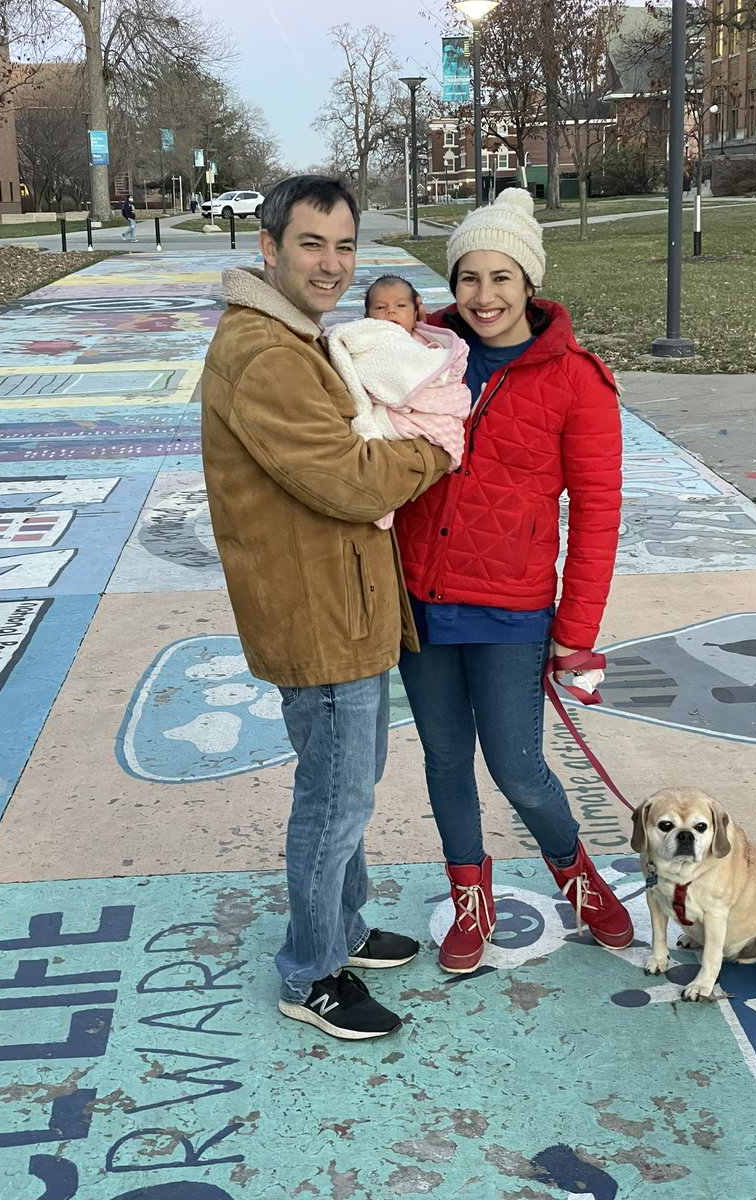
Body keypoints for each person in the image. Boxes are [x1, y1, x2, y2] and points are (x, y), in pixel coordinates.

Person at [200, 176, 450, 1039]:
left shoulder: (289, 335)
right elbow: (346, 479)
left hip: (335, 601)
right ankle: (310, 973)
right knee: (335, 801)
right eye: (312, 244)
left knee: (349, 786)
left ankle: (341, 928)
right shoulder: (267, 353)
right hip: (318, 614)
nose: (331, 264)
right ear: (267, 247)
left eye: (345, 246)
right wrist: (435, 450)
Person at [394, 188, 634, 974]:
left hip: (512, 609)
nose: (484, 296)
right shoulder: (424, 351)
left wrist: (577, 631)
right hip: (422, 600)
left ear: (529, 281)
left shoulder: (577, 380)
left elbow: (598, 513)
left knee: (518, 767)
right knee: (442, 761)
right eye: (468, 278)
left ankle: (577, 874)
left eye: (501, 278)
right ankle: (470, 895)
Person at [325, 275, 470, 529]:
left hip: (420, 414)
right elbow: (353, 366)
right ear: (367, 315)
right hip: (382, 418)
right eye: (380, 307)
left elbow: (446, 372)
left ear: (417, 311)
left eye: (400, 306)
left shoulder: (426, 344)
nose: (390, 311)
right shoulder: (368, 337)